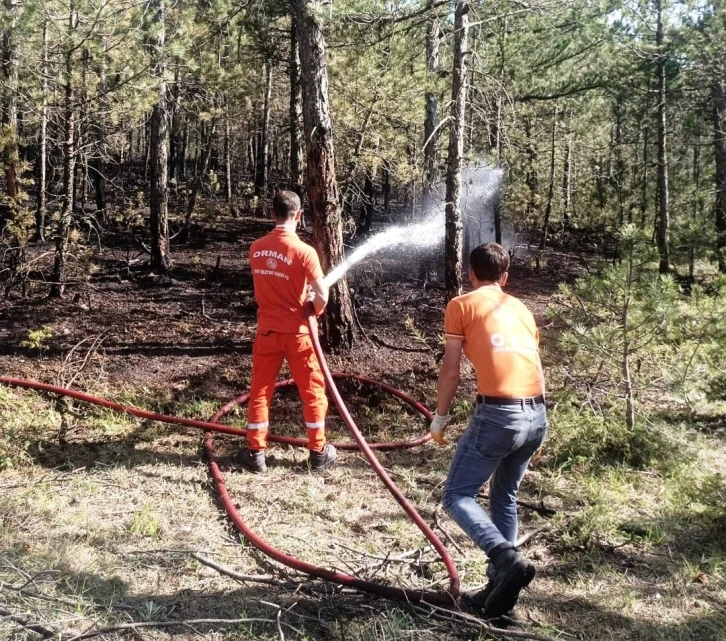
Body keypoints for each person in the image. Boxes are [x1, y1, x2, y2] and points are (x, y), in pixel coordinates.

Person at [429, 242, 547, 618]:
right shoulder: (522, 309)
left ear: (470, 274)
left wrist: (440, 418)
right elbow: (535, 365)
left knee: (457, 496)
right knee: (505, 497)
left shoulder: (460, 305)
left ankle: (505, 559)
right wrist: (535, 429)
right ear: (505, 277)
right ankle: (501, 592)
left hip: (499, 414)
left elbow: (451, 370)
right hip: (536, 413)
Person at [241, 190, 337, 473]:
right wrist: (314, 307)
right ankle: (318, 453)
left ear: (272, 214)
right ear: (299, 215)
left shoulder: (256, 248)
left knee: (260, 390)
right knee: (312, 392)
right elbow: (322, 292)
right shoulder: (305, 252)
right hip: (299, 334)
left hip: (267, 331)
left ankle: (255, 453)